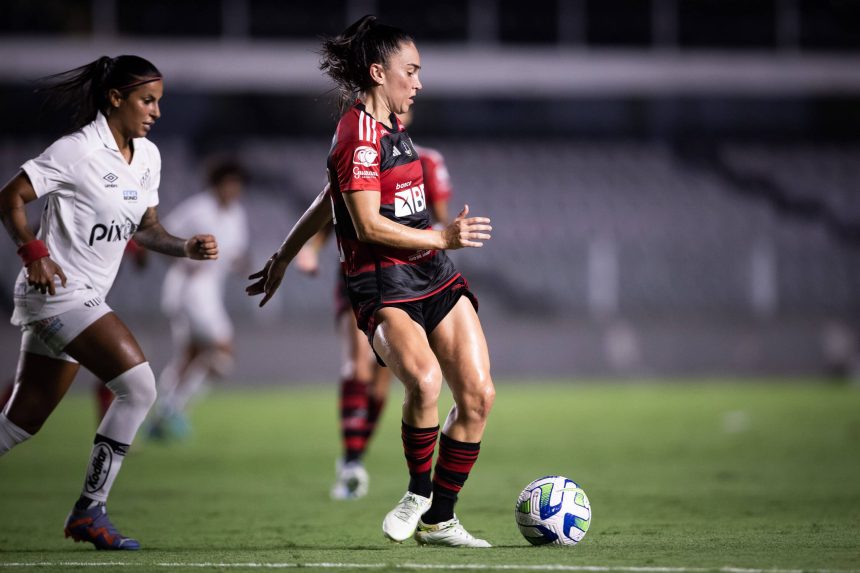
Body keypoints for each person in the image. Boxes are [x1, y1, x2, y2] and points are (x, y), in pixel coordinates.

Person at [247, 15, 495, 547]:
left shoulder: (390, 128)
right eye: (412, 70)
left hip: (433, 277)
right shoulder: (357, 133)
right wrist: (441, 238)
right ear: (379, 72)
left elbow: (327, 196)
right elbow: (364, 223)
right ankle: (416, 493)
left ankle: (440, 520)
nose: (420, 82)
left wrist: (284, 256)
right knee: (426, 382)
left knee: (477, 397)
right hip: (385, 285)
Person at [0, 55, 218, 551]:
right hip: (58, 293)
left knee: (20, 422)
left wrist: (183, 246)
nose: (157, 112)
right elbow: (9, 196)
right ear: (115, 99)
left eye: (159, 101)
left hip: (83, 297)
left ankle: (88, 512)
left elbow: (148, 230)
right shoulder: (77, 151)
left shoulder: (148, 157)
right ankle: (89, 512)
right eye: (147, 100)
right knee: (139, 388)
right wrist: (34, 253)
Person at [296, 109, 454, 501]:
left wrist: (441, 241)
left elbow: (438, 220)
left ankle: (356, 457)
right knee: (358, 363)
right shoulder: (360, 146)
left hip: (411, 277)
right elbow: (335, 205)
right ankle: (350, 462)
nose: (409, 97)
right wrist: (308, 250)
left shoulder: (428, 161)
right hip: (363, 273)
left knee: (388, 378)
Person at [146, 158, 250, 441]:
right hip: (190, 289)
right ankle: (174, 411)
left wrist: (243, 264)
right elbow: (159, 237)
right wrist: (179, 260)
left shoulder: (236, 214)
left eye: (238, 184)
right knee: (223, 352)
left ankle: (162, 414)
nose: (235, 189)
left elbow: (234, 254)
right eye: (230, 183)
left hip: (209, 292)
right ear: (218, 184)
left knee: (188, 356)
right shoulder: (197, 209)